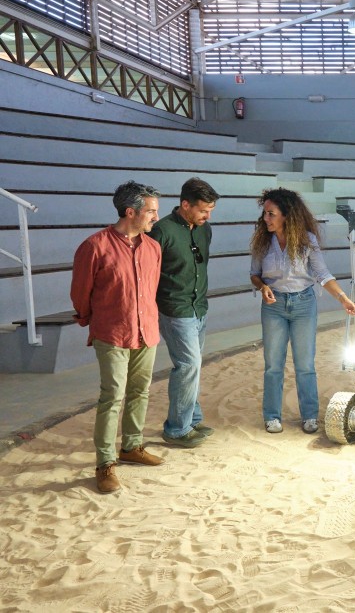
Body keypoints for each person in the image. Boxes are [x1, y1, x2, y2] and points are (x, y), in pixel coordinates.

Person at [70, 181, 165, 493]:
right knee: (112, 396)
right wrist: (90, 319)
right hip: (112, 332)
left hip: (146, 331)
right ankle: (105, 464)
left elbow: (151, 289)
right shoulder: (94, 246)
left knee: (140, 391)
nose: (156, 217)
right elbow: (80, 292)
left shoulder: (153, 248)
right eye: (151, 211)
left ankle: (132, 447)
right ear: (130, 212)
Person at [249, 188, 355, 435]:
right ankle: (271, 416)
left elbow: (322, 274)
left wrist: (343, 298)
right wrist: (262, 287)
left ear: (286, 215)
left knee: (305, 364)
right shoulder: (262, 240)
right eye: (265, 213)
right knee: (273, 365)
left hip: (303, 303)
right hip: (273, 306)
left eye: (271, 214)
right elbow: (254, 274)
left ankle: (309, 415)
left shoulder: (307, 240)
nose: (266, 218)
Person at [149, 178, 219, 449]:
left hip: (199, 307)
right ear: (185, 204)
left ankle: (192, 419)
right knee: (188, 366)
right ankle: (177, 429)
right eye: (203, 210)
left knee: (194, 365)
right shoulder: (161, 231)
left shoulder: (205, 229)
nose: (207, 216)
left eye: (210, 210)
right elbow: (148, 273)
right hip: (175, 309)